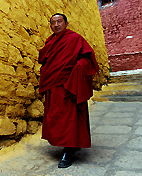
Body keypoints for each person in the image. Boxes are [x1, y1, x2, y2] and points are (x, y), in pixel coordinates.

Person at [38, 13, 99, 168]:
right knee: (57, 117)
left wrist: (79, 68)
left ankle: (68, 151)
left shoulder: (75, 39)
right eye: (53, 22)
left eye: (59, 21)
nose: (56, 25)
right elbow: (45, 60)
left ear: (66, 23)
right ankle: (68, 143)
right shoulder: (50, 42)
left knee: (70, 118)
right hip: (54, 85)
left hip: (69, 84)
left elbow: (88, 58)